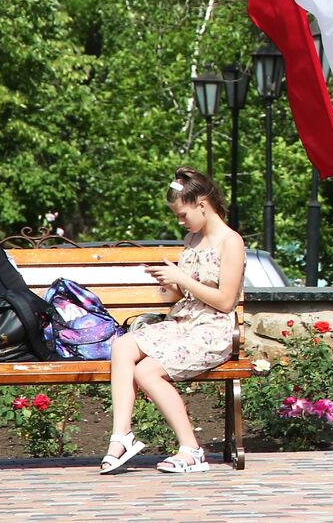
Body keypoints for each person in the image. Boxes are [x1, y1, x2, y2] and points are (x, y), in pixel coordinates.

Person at [99, 167, 246, 474]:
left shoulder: (231, 242)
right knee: (123, 347)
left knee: (147, 372)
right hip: (184, 323)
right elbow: (187, 292)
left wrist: (182, 278)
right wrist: (172, 282)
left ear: (202, 205)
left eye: (183, 214)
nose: (181, 221)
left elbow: (224, 301)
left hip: (213, 329)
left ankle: (192, 450)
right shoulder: (191, 239)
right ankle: (121, 436)